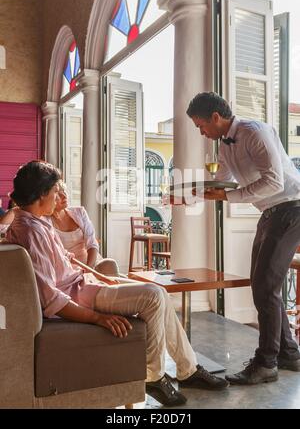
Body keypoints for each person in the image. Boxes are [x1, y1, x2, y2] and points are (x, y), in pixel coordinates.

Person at [6, 160, 228, 407]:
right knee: (154, 296)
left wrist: (101, 277)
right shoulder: (31, 230)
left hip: (83, 285)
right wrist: (97, 318)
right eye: (56, 192)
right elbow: (51, 298)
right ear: (42, 194)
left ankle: (188, 369)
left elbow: (67, 260)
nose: (60, 197)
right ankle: (154, 376)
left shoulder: (36, 222)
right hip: (77, 295)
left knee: (159, 294)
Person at [186, 91, 300, 385]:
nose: (201, 132)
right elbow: (221, 181)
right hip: (270, 212)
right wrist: (189, 195)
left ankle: (266, 363)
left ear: (216, 117)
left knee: (265, 285)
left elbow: (273, 180)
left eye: (201, 126)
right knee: (261, 283)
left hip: (291, 208)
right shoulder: (224, 145)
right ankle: (289, 353)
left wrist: (229, 195)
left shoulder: (254, 132)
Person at [50, 180, 120, 277]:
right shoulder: (46, 223)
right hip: (70, 271)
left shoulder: (79, 212)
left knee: (110, 265)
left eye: (64, 191)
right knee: (122, 282)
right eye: (58, 193)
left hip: (92, 264)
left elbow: (92, 243)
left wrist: (89, 269)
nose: (64, 196)